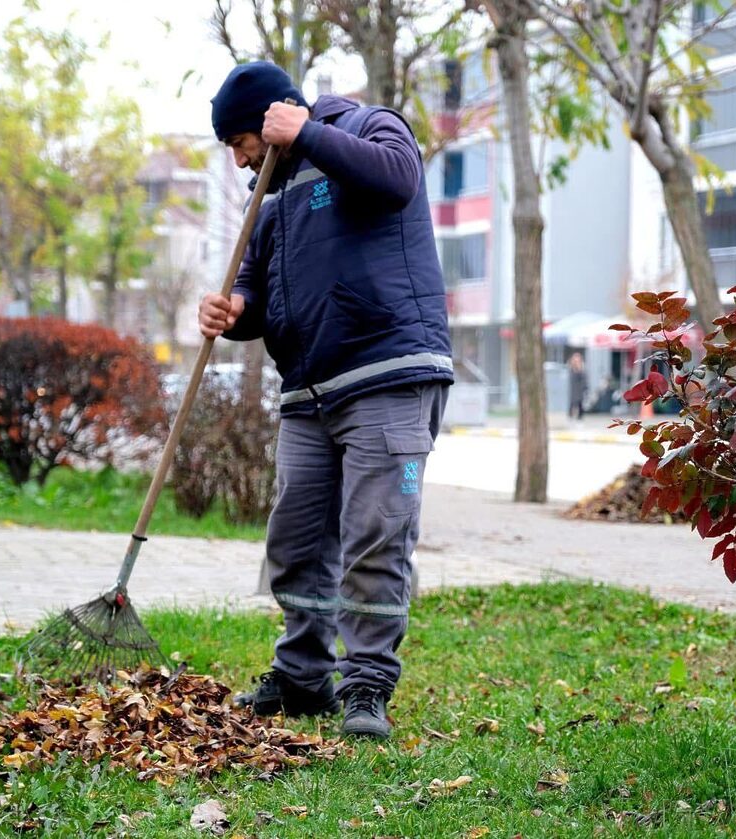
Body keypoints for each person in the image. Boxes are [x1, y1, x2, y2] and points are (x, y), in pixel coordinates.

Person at [197, 61, 453, 739]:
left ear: (268, 117)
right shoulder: (271, 197)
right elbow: (257, 285)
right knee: (298, 540)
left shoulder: (368, 128)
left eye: (238, 140)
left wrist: (307, 132)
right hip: (309, 390)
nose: (238, 157)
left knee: (375, 533)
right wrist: (236, 309)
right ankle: (303, 673)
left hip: (389, 371)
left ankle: (366, 682)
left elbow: (397, 181)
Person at [567, 352, 587, 421]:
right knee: (572, 403)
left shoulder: (582, 369)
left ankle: (579, 417)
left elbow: (584, 379)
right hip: (573, 389)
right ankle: (571, 416)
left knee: (580, 404)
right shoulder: (571, 368)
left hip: (580, 389)